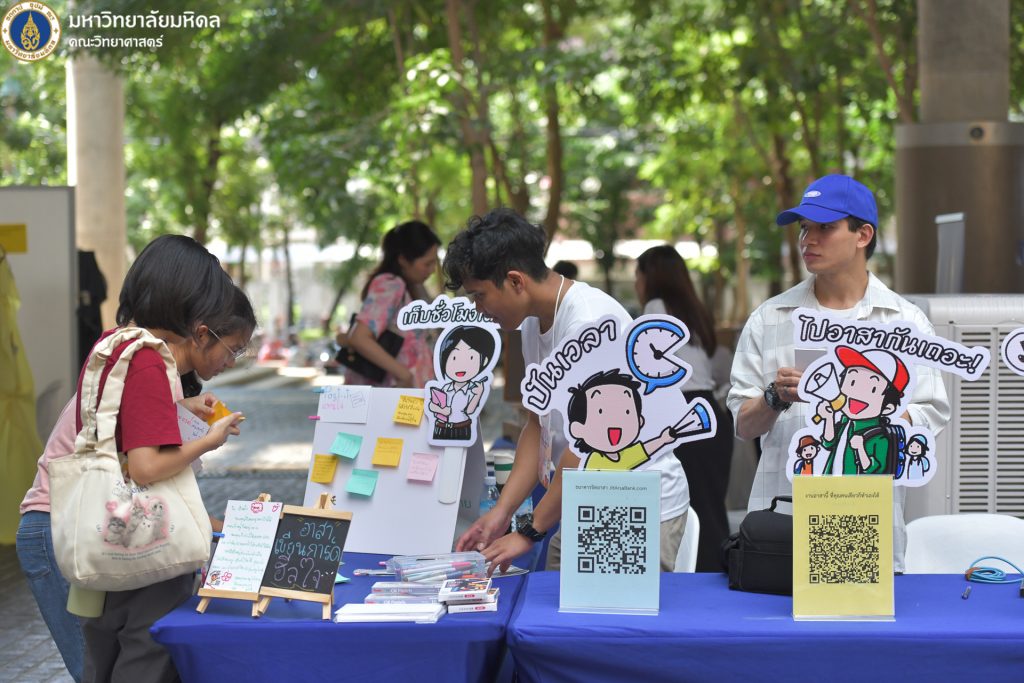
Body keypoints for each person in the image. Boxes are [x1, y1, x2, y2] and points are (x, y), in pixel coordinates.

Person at [21, 235, 247, 682]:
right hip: (71, 526)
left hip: (86, 522)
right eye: (209, 293)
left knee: (102, 665)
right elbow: (144, 468)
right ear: (184, 296)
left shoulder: (121, 347)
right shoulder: (147, 360)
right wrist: (209, 440)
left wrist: (179, 409)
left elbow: (122, 435)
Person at [727, 174, 950, 572]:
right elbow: (743, 426)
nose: (808, 240)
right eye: (804, 228)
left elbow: (931, 413)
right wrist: (775, 397)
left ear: (863, 235)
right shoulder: (770, 317)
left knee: (857, 612)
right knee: (774, 613)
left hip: (865, 520)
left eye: (825, 228)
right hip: (782, 523)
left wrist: (873, 416)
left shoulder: (904, 321)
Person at [447, 208, 690, 572]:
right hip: (584, 499)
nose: (478, 309)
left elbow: (588, 448)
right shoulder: (533, 323)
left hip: (635, 505)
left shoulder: (590, 322)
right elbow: (537, 424)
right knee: (555, 602)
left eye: (479, 295)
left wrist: (529, 531)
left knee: (597, 611)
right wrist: (502, 513)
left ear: (515, 281)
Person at [634, 244, 734, 572]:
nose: (635, 283)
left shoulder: (654, 309)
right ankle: (722, 573)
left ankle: (696, 582)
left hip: (680, 413)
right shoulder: (694, 311)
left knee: (687, 509)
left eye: (637, 275)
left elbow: (643, 370)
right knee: (711, 508)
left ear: (649, 277)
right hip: (711, 413)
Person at [343, 220, 440, 388]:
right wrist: (403, 374)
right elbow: (359, 337)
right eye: (427, 263)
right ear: (403, 259)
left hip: (405, 394)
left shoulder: (406, 288)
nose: (432, 270)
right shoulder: (391, 285)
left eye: (434, 263)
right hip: (396, 394)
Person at [427, 325, 496, 442]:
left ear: (483, 361)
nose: (461, 365)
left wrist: (478, 395)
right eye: (454, 358)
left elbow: (470, 411)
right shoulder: (445, 388)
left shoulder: (471, 390)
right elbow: (431, 405)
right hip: (441, 428)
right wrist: (442, 410)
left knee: (462, 450)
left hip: (462, 428)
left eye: (471, 358)